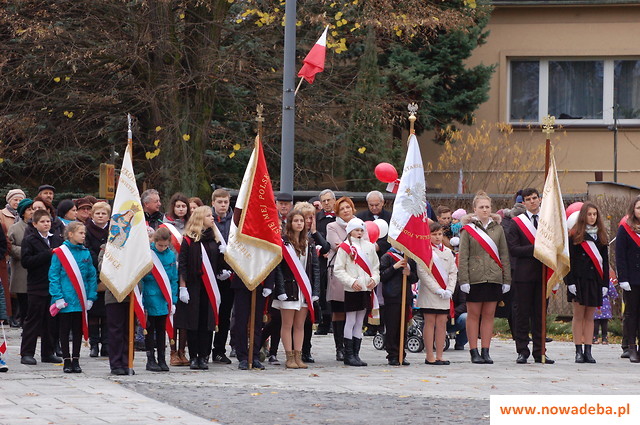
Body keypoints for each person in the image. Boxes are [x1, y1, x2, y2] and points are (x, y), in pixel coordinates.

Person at [458, 191, 511, 364]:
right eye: (481, 207)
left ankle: (486, 351)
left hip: (494, 277)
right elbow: (463, 257)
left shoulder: (498, 229)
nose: (485, 210)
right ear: (474, 209)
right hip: (474, 277)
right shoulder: (468, 230)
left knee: (489, 315)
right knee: (473, 315)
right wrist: (464, 280)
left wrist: (506, 280)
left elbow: (504, 255)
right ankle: (473, 351)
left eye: (487, 207)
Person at [506, 188, 554, 364]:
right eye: (528, 199)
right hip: (523, 276)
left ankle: (540, 352)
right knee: (522, 315)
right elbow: (514, 249)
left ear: (540, 199)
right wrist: (536, 249)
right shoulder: (516, 223)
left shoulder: (548, 222)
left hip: (543, 274)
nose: (532, 201)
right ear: (524, 202)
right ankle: (522, 351)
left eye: (534, 198)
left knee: (540, 315)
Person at [174, 206, 224, 370]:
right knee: (193, 322)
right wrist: (183, 287)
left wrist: (224, 261)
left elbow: (218, 264)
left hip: (209, 287)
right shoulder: (189, 240)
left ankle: (204, 356)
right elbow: (183, 265)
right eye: (208, 215)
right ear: (200, 218)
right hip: (193, 286)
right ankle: (194, 356)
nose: (212, 218)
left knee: (206, 322)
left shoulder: (215, 240)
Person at [272, 210, 320, 369]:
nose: (299, 223)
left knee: (300, 325)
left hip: (304, 289)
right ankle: (289, 357)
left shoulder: (309, 242)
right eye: (296, 221)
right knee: (287, 324)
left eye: (301, 221)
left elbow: (315, 268)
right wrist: (280, 289)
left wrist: (316, 291)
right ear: (290, 223)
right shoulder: (283, 243)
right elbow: (278, 268)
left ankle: (298, 356)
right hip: (288, 288)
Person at [49, 222, 98, 373]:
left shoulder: (85, 253)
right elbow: (54, 276)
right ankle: (66, 360)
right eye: (80, 233)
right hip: (65, 298)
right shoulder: (60, 253)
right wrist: (58, 297)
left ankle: (76, 360)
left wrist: (90, 297)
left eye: (84, 233)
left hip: (80, 298)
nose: (84, 236)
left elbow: (91, 276)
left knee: (78, 330)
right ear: (70, 234)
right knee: (64, 330)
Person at [565, 201, 609, 364]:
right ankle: (578, 350)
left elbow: (605, 262)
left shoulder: (601, 236)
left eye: (595, 214)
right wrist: (570, 282)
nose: (592, 217)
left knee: (590, 316)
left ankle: (588, 350)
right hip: (579, 280)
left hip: (595, 280)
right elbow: (568, 261)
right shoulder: (575, 235)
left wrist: (605, 284)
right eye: (589, 214)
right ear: (584, 216)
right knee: (578, 315)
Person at [19, 209, 64, 365]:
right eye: (43, 222)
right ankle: (27, 353)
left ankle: (48, 352)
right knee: (33, 320)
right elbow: (26, 262)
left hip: (53, 286)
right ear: (35, 224)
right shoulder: (29, 240)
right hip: (37, 285)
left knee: (51, 321)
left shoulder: (57, 239)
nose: (46, 224)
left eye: (48, 221)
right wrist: (48, 254)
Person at [333, 217, 379, 367]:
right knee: (351, 320)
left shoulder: (369, 247)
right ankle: (348, 354)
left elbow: (376, 267)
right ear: (349, 231)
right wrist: (351, 282)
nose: (359, 233)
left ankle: (356, 354)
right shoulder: (345, 247)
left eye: (361, 230)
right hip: (352, 289)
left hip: (366, 288)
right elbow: (339, 270)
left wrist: (374, 279)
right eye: (356, 230)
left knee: (360, 322)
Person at [326, 197, 362, 361]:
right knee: (339, 310)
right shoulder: (332, 226)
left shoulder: (360, 224)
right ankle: (339, 348)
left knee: (354, 311)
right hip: (339, 273)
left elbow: (366, 244)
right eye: (342, 209)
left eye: (348, 207)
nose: (346, 210)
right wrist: (355, 247)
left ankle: (352, 348)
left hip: (357, 272)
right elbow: (337, 245)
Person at [417, 222, 457, 365]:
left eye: (439, 234)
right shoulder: (424, 251)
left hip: (445, 293)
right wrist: (437, 289)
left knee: (442, 323)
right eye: (434, 234)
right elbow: (423, 273)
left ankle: (440, 355)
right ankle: (429, 355)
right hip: (430, 293)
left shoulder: (448, 252)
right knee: (430, 322)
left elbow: (453, 272)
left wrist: (450, 289)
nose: (437, 237)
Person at [295, 201, 331, 363]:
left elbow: (326, 247)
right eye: (307, 218)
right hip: (294, 282)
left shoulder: (313, 235)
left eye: (311, 218)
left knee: (308, 319)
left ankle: (306, 350)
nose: (309, 221)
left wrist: (315, 232)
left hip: (311, 281)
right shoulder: (292, 236)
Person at [140, 227, 178, 372]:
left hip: (164, 297)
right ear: (154, 242)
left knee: (162, 330)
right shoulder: (148, 254)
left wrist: (173, 300)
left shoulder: (171, 256)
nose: (162, 248)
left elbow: (173, 278)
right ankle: (151, 359)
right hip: (150, 296)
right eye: (160, 245)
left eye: (165, 245)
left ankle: (162, 359)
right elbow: (142, 277)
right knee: (149, 329)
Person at [380, 245, 417, 366]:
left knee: (403, 327)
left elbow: (415, 278)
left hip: (405, 296)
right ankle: (392, 355)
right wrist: (394, 267)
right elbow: (382, 276)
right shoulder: (387, 257)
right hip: (392, 296)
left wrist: (409, 274)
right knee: (392, 327)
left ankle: (401, 354)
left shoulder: (409, 258)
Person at [209, 188, 234, 364]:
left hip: (229, 274)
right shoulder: (207, 219)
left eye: (226, 202)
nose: (223, 205)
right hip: (210, 273)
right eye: (219, 202)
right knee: (208, 313)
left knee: (225, 314)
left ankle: (219, 350)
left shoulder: (235, 221)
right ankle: (203, 349)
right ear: (213, 203)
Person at [84, 202, 111, 357]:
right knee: (93, 311)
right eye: (97, 213)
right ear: (92, 215)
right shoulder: (87, 230)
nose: (100, 216)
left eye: (103, 214)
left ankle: (106, 343)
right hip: (92, 272)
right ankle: (93, 343)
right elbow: (87, 250)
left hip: (109, 273)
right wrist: (98, 265)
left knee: (107, 311)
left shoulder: (113, 230)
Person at [615, 195, 640, 363]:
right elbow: (620, 255)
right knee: (631, 314)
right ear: (633, 209)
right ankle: (631, 347)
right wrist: (623, 278)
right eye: (638, 208)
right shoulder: (625, 228)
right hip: (631, 279)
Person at [8, 198, 34, 328]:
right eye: (29, 210)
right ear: (23, 212)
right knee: (23, 302)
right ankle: (25, 326)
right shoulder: (15, 228)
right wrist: (25, 252)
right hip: (21, 270)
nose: (32, 212)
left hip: (36, 270)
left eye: (33, 209)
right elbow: (10, 246)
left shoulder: (38, 226)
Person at [314, 189, 336, 335]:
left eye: (329, 200)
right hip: (321, 259)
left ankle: (335, 323)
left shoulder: (340, 217)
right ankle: (323, 323)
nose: (327, 203)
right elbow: (313, 235)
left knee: (334, 290)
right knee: (322, 290)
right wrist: (322, 250)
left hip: (337, 258)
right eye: (324, 201)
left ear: (334, 200)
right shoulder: (316, 218)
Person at [2, 189, 25, 327]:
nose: (17, 202)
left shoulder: (25, 215)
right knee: (9, 287)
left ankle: (18, 316)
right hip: (7, 255)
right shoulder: (2, 214)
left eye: (20, 200)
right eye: (15, 199)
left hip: (20, 256)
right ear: (9, 200)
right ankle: (9, 316)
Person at [593, 275, 618, 345]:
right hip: (605, 303)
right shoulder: (606, 281)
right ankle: (604, 338)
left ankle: (594, 337)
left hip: (594, 302)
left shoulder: (592, 280)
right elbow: (612, 291)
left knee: (595, 321)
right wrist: (615, 296)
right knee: (604, 322)